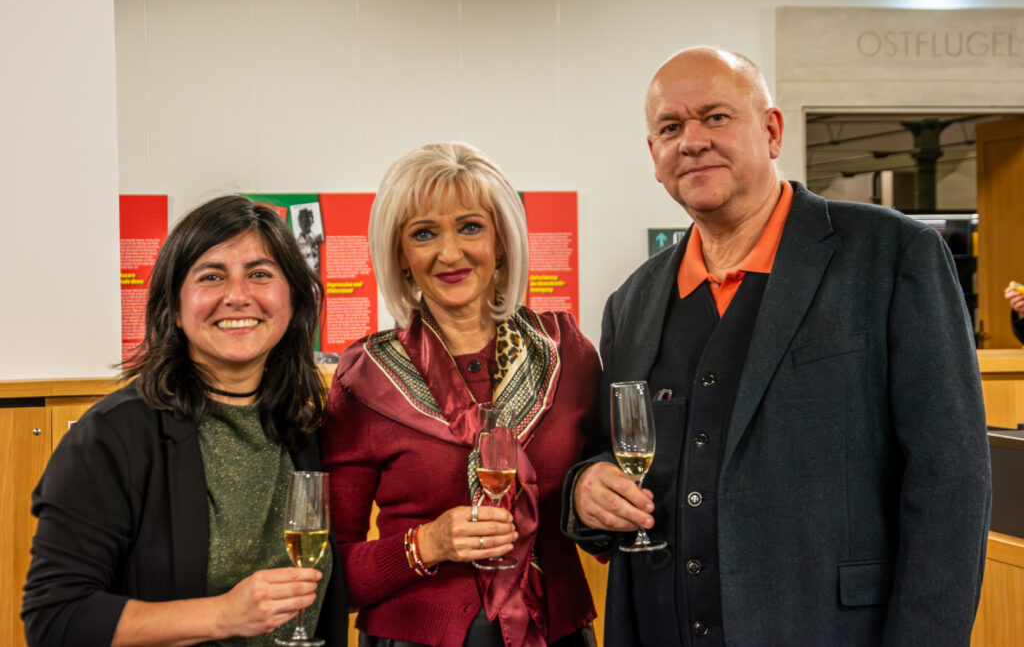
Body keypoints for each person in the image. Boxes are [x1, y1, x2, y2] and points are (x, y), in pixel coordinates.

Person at [562, 46, 991, 646]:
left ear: (771, 131)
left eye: (716, 117)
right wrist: (586, 490)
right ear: (653, 156)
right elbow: (612, 454)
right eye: (670, 127)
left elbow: (950, 483)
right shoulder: (631, 302)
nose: (693, 142)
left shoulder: (891, 256)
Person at [22, 195, 347, 646]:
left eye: (260, 274)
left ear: (292, 300)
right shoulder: (111, 437)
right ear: (174, 308)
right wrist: (222, 615)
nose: (238, 296)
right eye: (211, 276)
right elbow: (56, 619)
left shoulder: (304, 428)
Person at [322, 142, 599, 647]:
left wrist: (604, 502)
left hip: (555, 634)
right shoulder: (364, 377)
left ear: (501, 241)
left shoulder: (567, 353)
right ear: (401, 257)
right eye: (424, 233)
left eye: (470, 227)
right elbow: (329, 573)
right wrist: (427, 544)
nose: (450, 253)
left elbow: (605, 516)